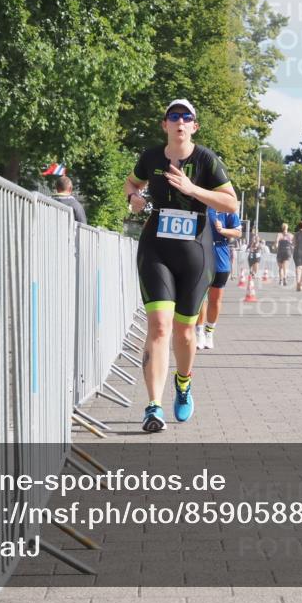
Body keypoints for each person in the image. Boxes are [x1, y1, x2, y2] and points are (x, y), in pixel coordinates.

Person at [124, 98, 238, 432]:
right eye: (173, 116)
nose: (179, 122)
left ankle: (184, 382)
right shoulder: (151, 157)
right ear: (164, 125)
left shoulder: (206, 159)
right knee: (159, 326)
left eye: (186, 118)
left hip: (194, 251)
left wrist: (192, 188)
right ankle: (153, 407)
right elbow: (132, 183)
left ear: (194, 126)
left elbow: (230, 201)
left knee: (185, 331)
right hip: (156, 246)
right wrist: (133, 198)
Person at [196, 206, 242, 350]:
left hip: (221, 256)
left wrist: (223, 230)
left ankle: (209, 332)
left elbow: (238, 232)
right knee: (201, 297)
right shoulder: (202, 205)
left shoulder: (228, 210)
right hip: (201, 253)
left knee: (215, 299)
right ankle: (199, 333)